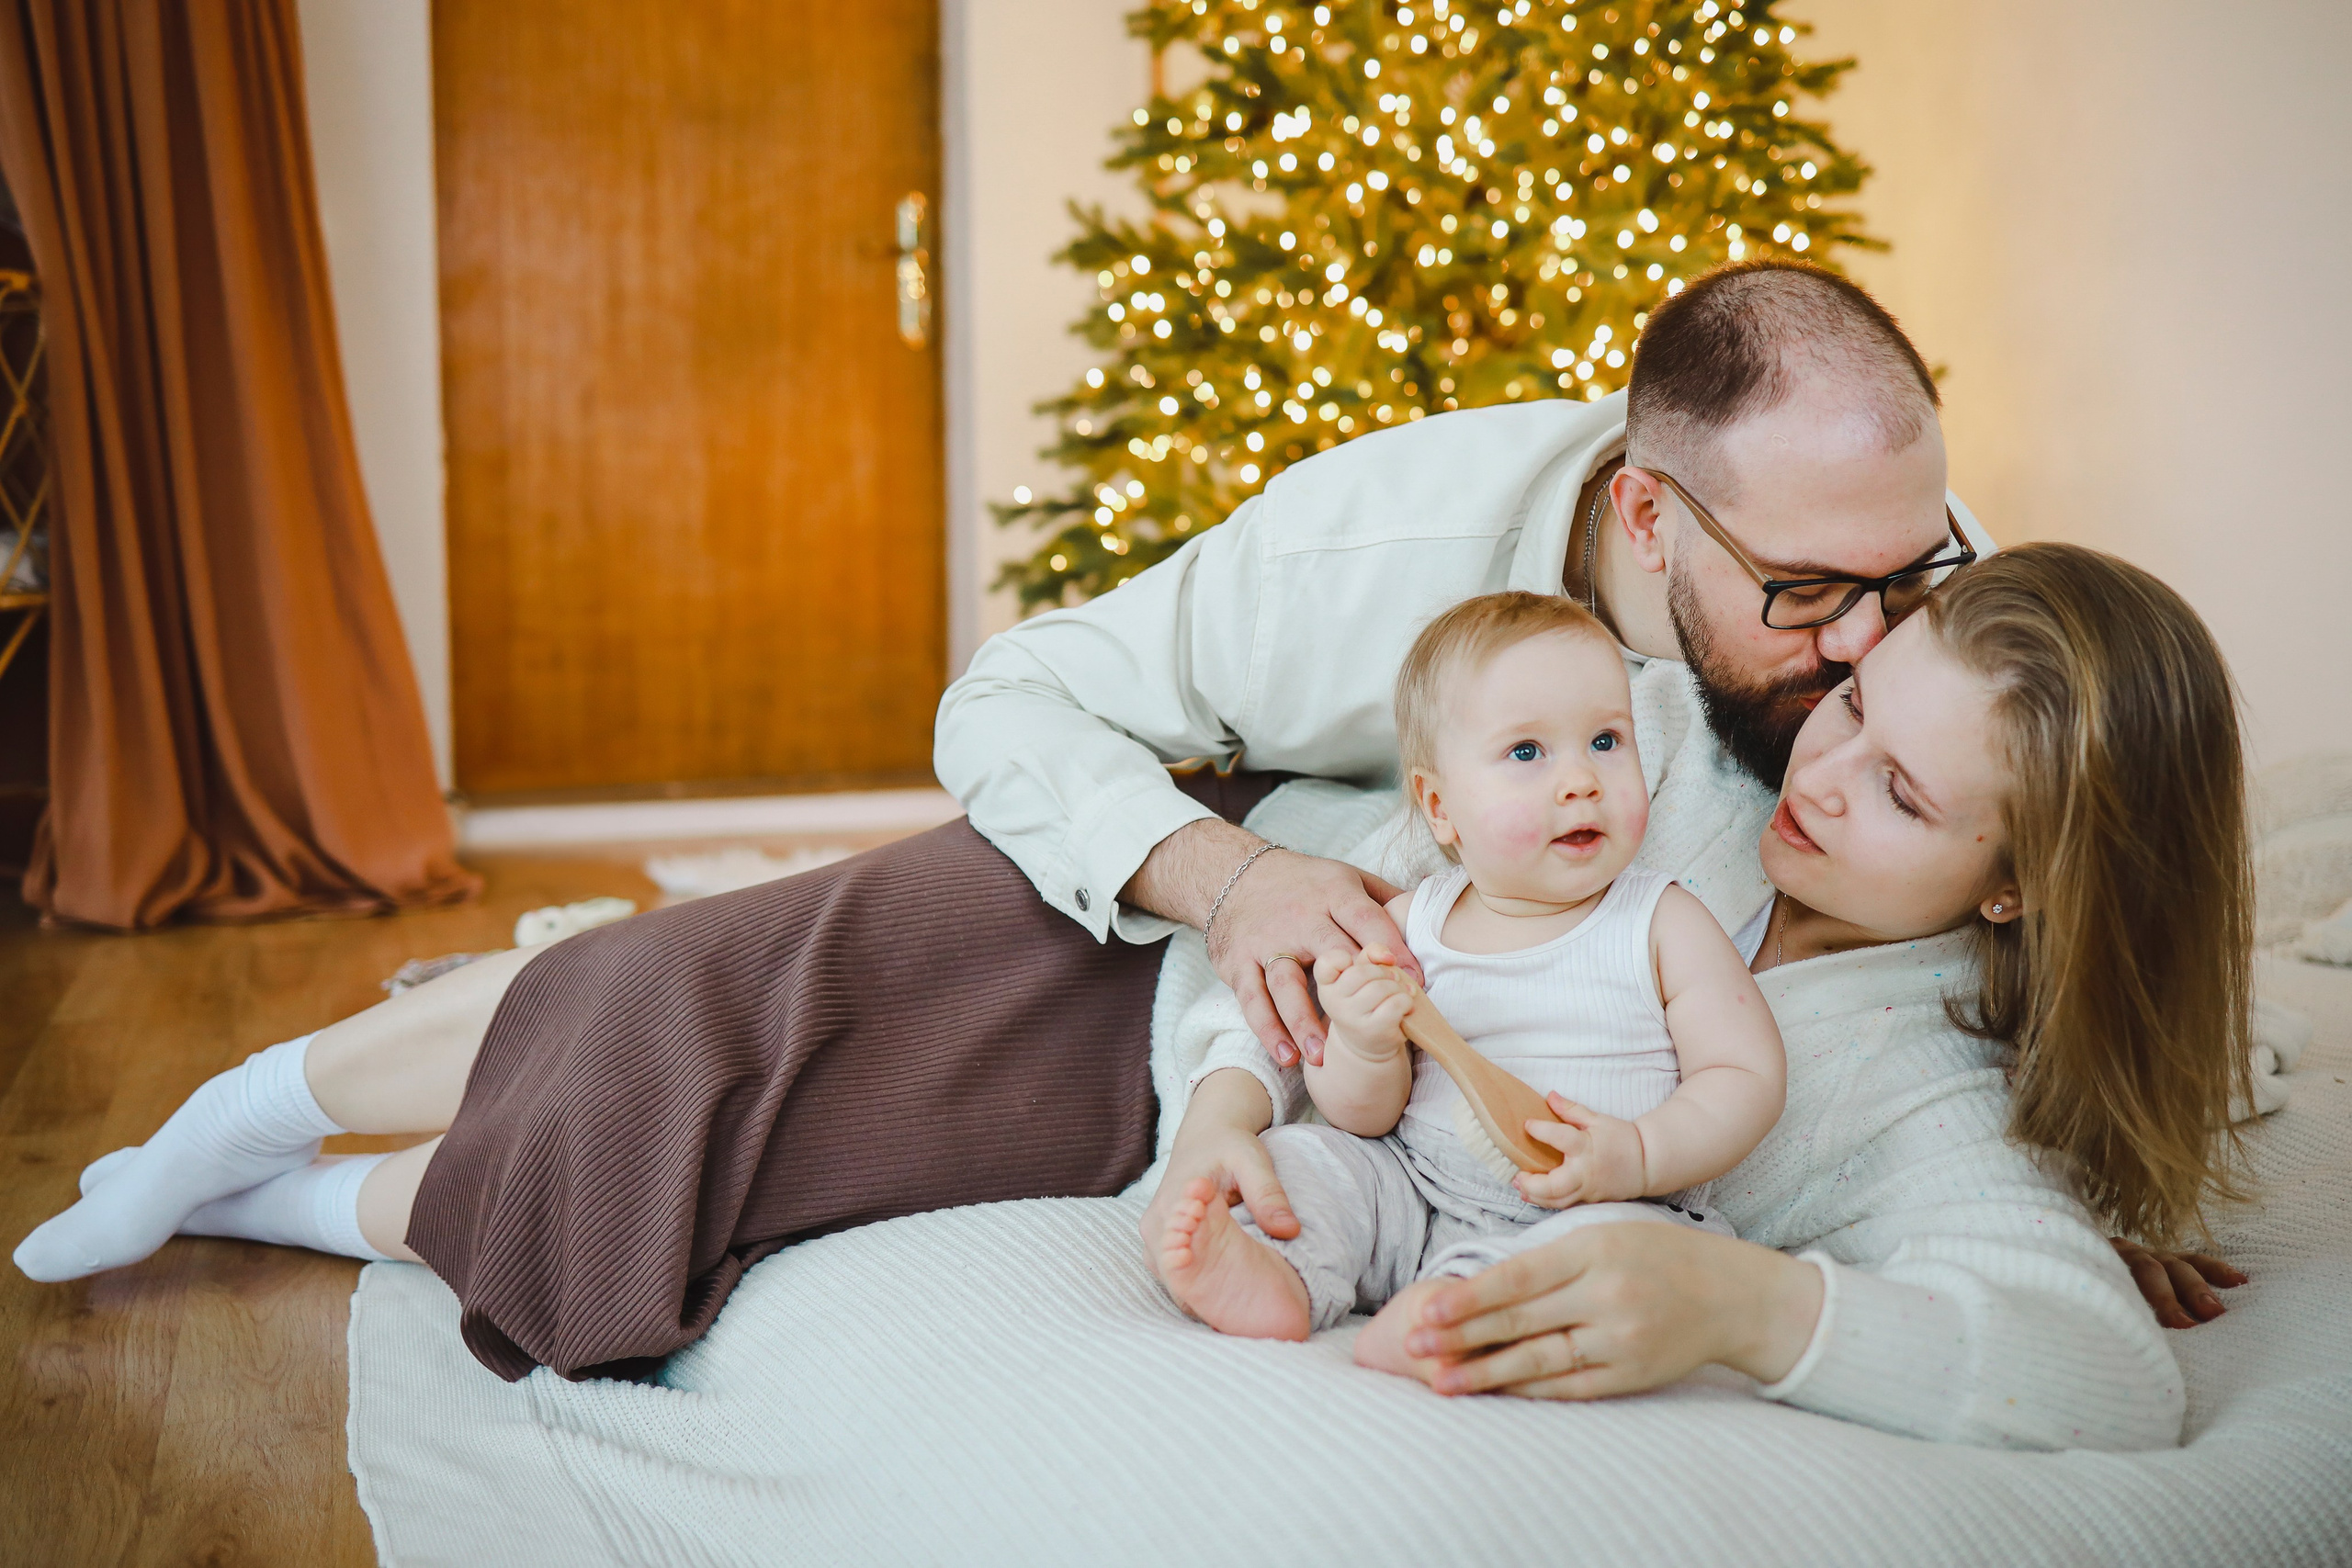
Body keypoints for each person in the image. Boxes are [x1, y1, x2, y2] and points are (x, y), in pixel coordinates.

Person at [9, 262, 2234, 1378]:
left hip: (1366, 964)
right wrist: (1228, 869)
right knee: (748, 965)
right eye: (1810, 602)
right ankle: (222, 1114)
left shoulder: (1890, 592)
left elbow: (2063, 825)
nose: (1859, 658)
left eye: (1911, 573)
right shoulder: (1355, 561)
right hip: (1239, 854)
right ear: (1646, 517)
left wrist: (2101, 1125)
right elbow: (1013, 690)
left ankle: (299, 1192)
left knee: (764, 1158)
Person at [1150, 544, 2249, 1448]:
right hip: (1172, 931)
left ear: (2017, 887)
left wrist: (1734, 1301)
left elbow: (2113, 1379)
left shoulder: (1928, 1088)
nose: (1815, 775)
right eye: (1855, 703)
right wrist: (1224, 1111)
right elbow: (1333, 906)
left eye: (1899, 793)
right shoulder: (1662, 744)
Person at [1159, 592, 1786, 1346]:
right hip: (1414, 1188)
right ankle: (1276, 1269)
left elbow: (1746, 1076)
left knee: (1616, 1254)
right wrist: (1364, 1043)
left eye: (1606, 740)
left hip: (1596, 1203)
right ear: (1440, 806)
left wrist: (1642, 1153)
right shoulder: (1411, 925)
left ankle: (1461, 1314)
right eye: (1527, 753)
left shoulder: (1661, 922)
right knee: (1311, 1160)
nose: (1581, 779)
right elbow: (1366, 1115)